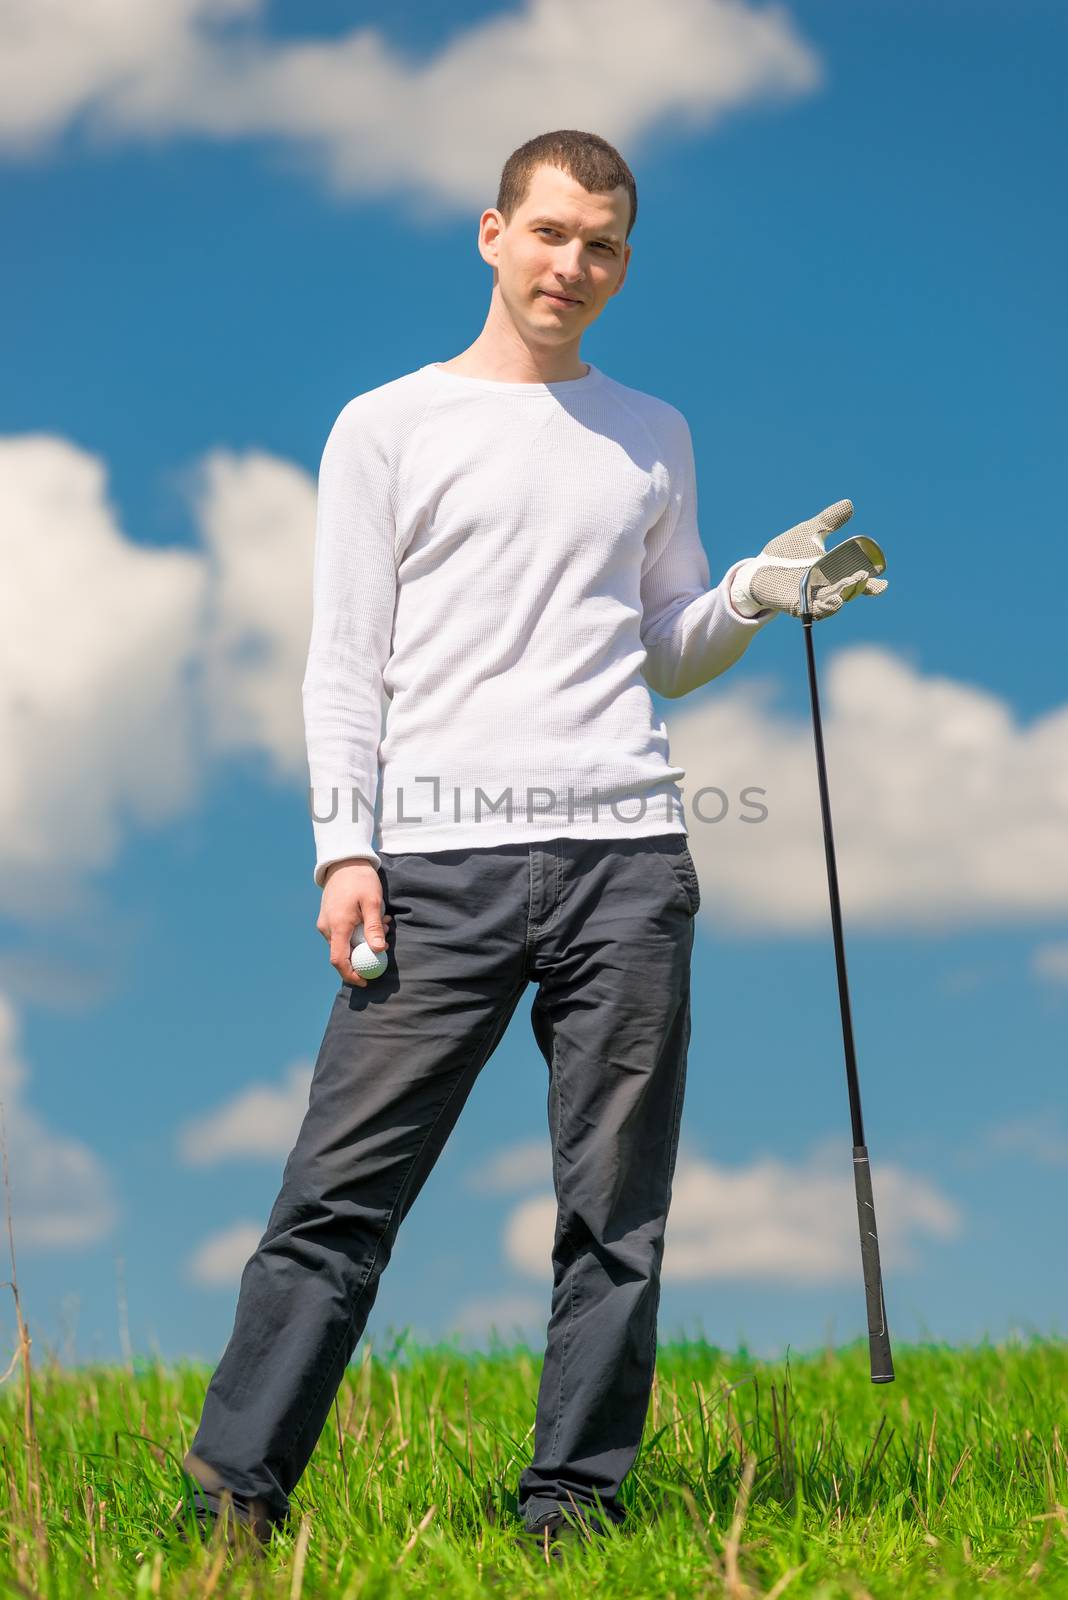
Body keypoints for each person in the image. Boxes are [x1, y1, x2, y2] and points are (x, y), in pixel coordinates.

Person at [176, 128, 886, 1555]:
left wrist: (758, 587)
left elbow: (668, 649)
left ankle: (572, 1514)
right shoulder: (388, 425)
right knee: (336, 1197)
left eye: (605, 244)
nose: (575, 263)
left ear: (626, 264)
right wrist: (345, 849)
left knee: (616, 1219)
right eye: (552, 232)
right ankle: (234, 1505)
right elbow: (345, 661)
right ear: (492, 234)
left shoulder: (652, 433)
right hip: (434, 866)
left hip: (626, 861)